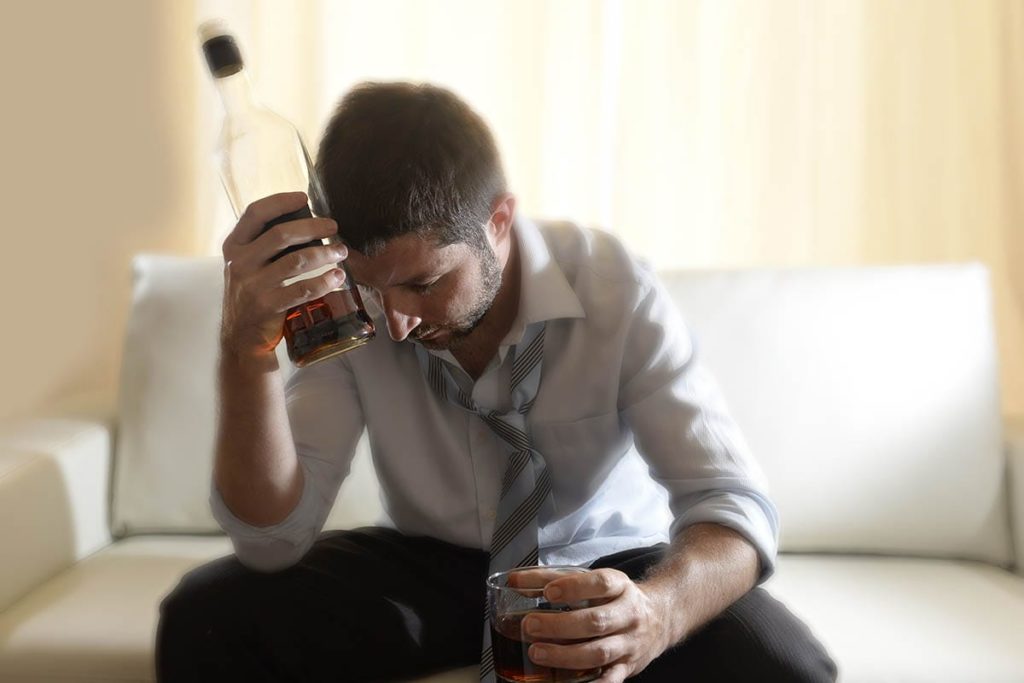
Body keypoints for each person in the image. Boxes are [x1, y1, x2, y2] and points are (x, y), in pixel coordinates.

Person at [156, 82, 837, 682]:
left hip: (609, 563)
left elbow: (730, 501)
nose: (393, 324)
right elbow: (271, 537)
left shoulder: (612, 286)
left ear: (500, 223)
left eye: (425, 283)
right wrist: (243, 353)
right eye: (371, 286)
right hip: (435, 564)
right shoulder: (351, 310)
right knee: (204, 618)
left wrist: (656, 613)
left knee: (789, 668)